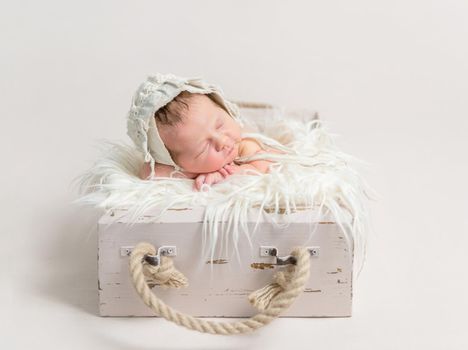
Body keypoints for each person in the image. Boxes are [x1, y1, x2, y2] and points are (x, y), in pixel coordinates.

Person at [127, 73, 286, 191]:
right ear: (174, 162)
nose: (222, 141)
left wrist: (230, 174)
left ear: (225, 109)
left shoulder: (244, 144)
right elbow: (149, 174)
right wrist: (190, 172)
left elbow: (268, 165)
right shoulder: (183, 165)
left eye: (220, 125)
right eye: (202, 148)